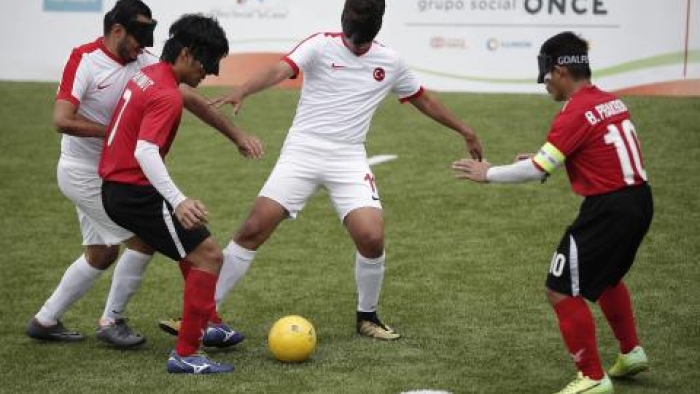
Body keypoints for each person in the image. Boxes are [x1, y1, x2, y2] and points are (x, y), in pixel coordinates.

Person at [164, 0, 482, 341]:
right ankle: (199, 315)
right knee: (253, 229)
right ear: (345, 14)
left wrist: (465, 130)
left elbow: (424, 99)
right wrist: (244, 89)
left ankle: (368, 316)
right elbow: (280, 70)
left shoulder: (390, 61)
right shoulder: (320, 44)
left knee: (371, 237)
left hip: (348, 157)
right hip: (302, 151)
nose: (354, 23)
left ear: (376, 22)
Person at [26, 0, 261, 349]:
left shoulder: (148, 62)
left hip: (118, 167)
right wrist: (117, 132)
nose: (145, 45)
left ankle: (45, 319)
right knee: (150, 239)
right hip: (88, 172)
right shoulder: (85, 59)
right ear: (117, 30)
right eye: (139, 35)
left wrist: (236, 135)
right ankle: (116, 320)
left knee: (102, 253)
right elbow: (62, 120)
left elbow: (187, 98)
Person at [452, 31, 653, 394]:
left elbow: (538, 170)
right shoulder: (609, 101)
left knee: (559, 289)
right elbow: (591, 150)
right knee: (606, 278)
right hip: (639, 201)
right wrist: (540, 157)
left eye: (546, 76)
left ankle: (592, 377)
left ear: (561, 71)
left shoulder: (574, 111)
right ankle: (631, 351)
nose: (545, 84)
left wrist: (489, 174)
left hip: (608, 209)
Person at [100, 13, 236, 374]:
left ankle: (212, 324)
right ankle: (187, 353)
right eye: (210, 62)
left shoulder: (149, 76)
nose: (212, 72)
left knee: (189, 247)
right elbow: (145, 151)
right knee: (209, 256)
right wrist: (178, 200)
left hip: (120, 188)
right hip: (132, 191)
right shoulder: (166, 93)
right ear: (188, 53)